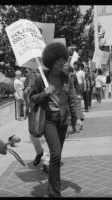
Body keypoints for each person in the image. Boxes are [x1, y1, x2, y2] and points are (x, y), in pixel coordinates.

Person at [29, 42, 83, 197]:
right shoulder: (41, 78)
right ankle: (54, 191)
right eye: (59, 60)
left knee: (56, 157)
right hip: (48, 120)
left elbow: (73, 99)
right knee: (56, 153)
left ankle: (52, 186)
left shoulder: (67, 78)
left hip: (63, 121)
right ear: (51, 60)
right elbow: (31, 98)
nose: (63, 63)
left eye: (63, 60)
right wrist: (44, 94)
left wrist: (78, 118)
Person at [24, 68, 50, 174]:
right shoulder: (29, 78)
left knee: (48, 135)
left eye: (36, 71)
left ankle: (46, 162)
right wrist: (27, 91)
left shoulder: (52, 77)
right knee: (33, 134)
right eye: (33, 71)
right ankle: (39, 152)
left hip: (48, 111)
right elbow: (30, 95)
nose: (35, 73)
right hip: (35, 110)